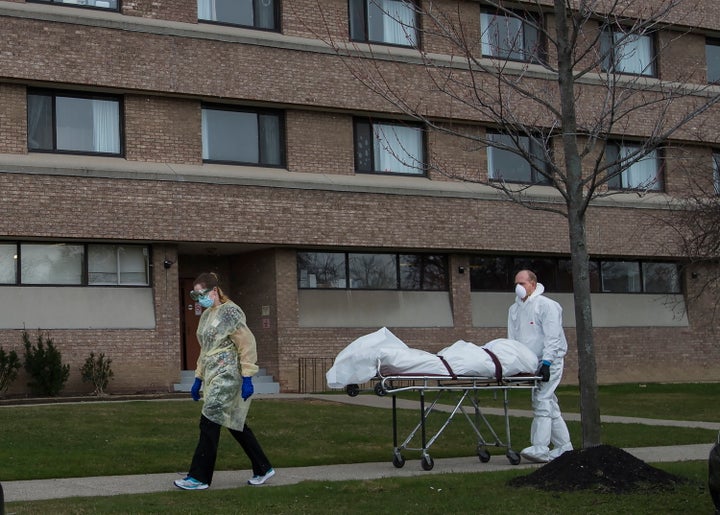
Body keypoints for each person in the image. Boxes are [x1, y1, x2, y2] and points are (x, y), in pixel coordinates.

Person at [174, 272, 275, 490]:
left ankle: (199, 477)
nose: (198, 299)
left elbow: (247, 344)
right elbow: (205, 349)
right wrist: (198, 378)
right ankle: (263, 467)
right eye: (194, 295)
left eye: (200, 294)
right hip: (212, 375)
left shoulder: (231, 312)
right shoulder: (207, 315)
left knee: (209, 421)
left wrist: (248, 376)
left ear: (213, 290)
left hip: (228, 374)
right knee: (233, 422)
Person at [508, 269, 573, 463]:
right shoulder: (514, 309)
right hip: (530, 362)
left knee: (542, 401)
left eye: (523, 283)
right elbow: (513, 338)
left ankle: (541, 447)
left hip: (549, 361)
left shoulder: (547, 306)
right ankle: (564, 446)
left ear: (533, 284)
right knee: (549, 403)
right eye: (516, 284)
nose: (519, 288)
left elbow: (552, 337)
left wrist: (547, 362)